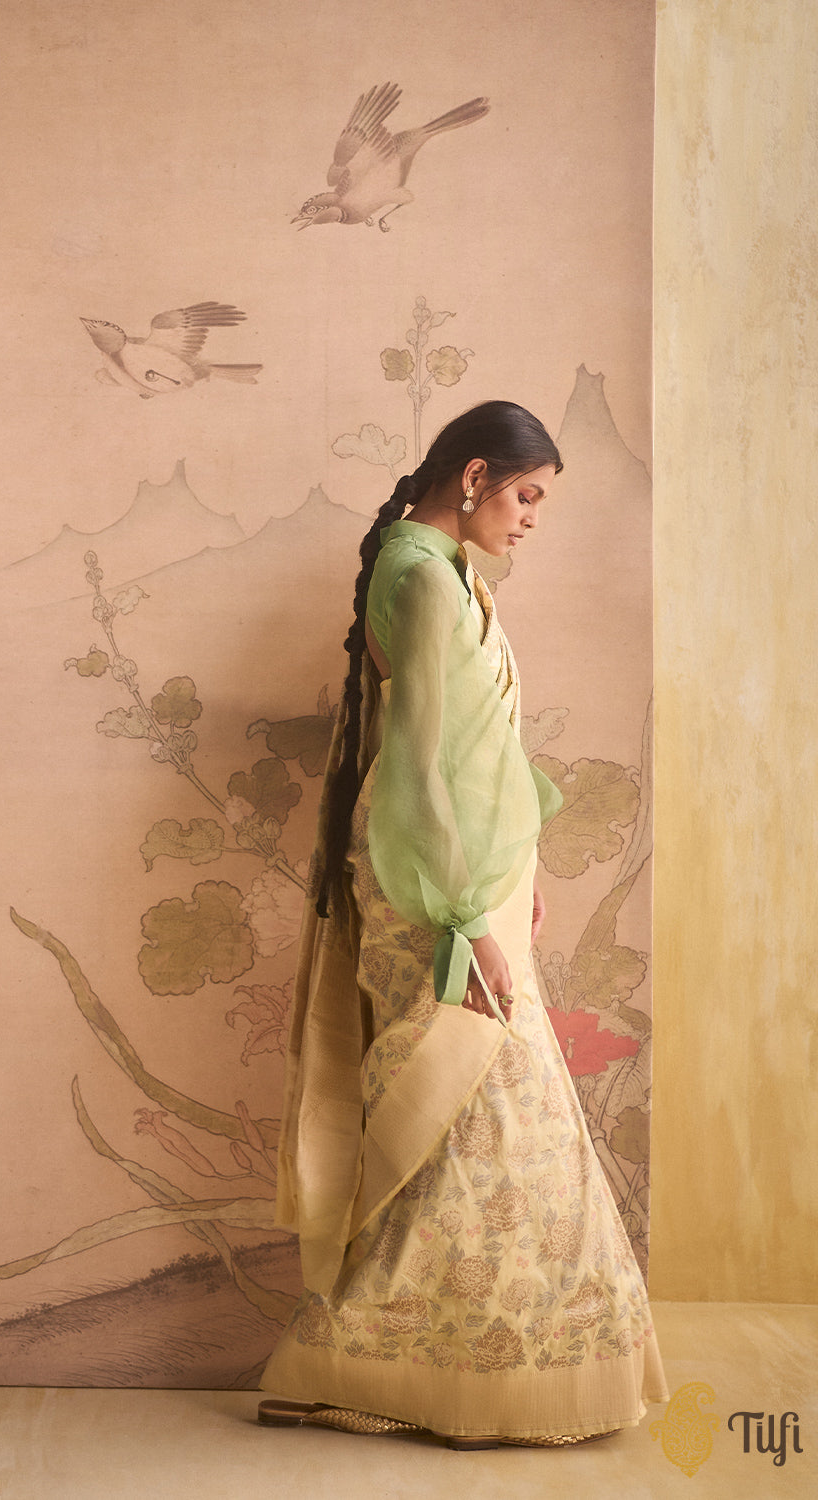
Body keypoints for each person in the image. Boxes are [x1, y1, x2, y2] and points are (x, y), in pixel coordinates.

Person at [258, 400, 667, 1448]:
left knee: (475, 1120)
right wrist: (461, 914)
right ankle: (391, 1363)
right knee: (478, 1109)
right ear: (476, 475)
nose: (531, 518)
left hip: (468, 873)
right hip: (429, 882)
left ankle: (408, 1364)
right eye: (526, 494)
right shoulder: (421, 577)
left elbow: (480, 744)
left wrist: (515, 870)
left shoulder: (444, 573)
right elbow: (420, 763)